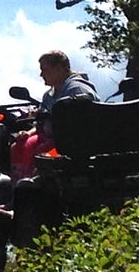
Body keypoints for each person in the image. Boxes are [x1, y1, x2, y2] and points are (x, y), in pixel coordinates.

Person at [10, 49, 99, 178]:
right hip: (50, 137)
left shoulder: (78, 89)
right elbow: (41, 123)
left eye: (44, 70)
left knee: (41, 154)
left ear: (59, 68)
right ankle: (19, 186)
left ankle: (33, 187)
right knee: (18, 147)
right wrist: (28, 133)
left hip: (71, 143)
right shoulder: (48, 95)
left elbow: (85, 124)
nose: (41, 74)